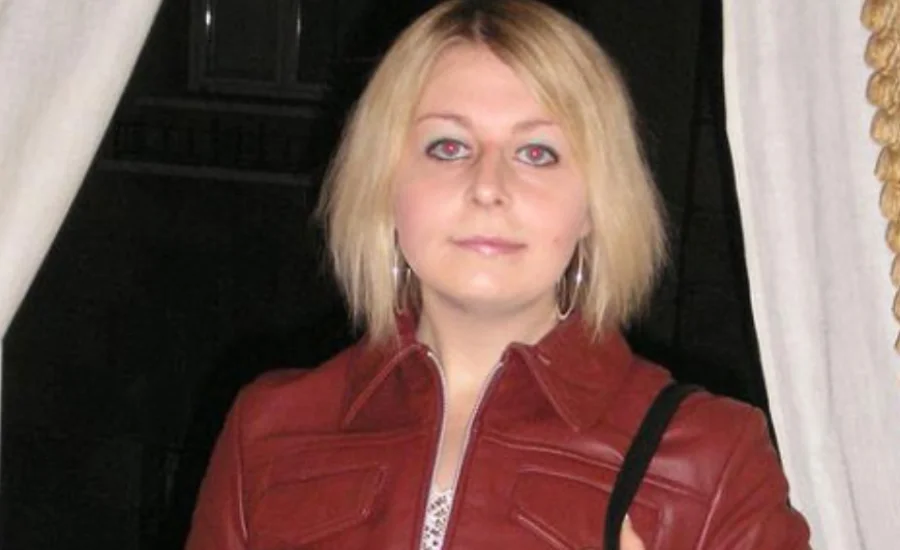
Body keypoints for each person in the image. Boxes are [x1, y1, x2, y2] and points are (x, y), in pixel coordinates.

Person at [185, 0, 811, 548]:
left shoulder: (710, 458)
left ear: (594, 205)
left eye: (537, 152)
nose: (488, 186)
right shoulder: (268, 431)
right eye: (448, 146)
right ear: (386, 184)